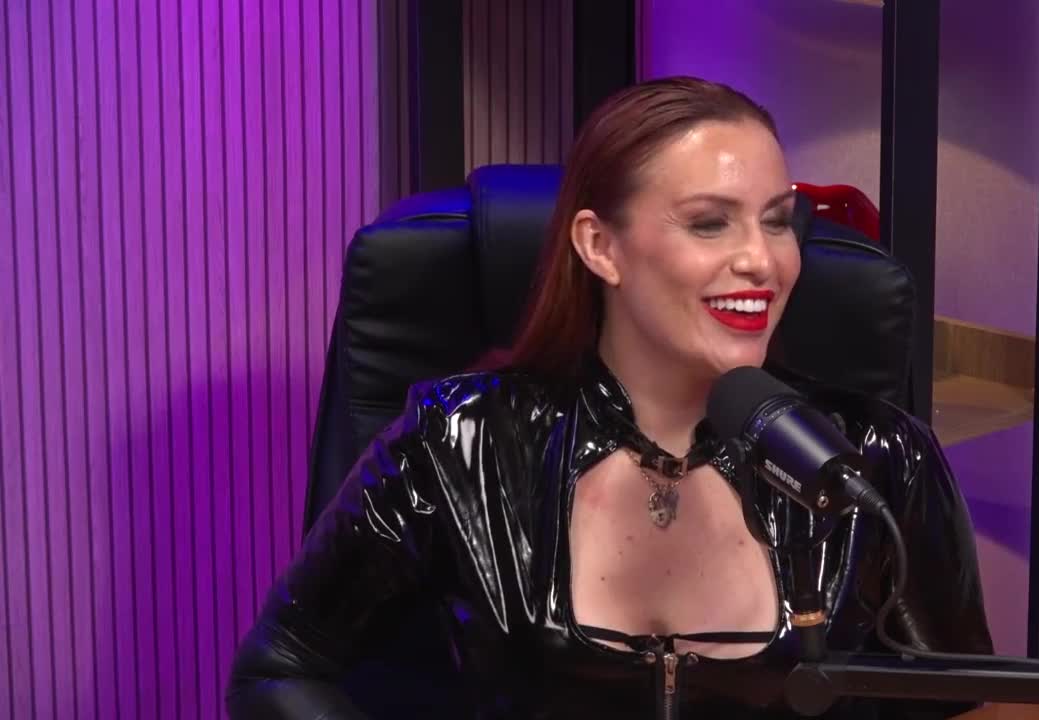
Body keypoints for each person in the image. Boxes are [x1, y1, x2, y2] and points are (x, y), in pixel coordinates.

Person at [226, 76, 992, 719]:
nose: (762, 261)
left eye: (777, 222)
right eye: (710, 224)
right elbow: (277, 670)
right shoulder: (460, 440)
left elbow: (960, 708)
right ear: (600, 246)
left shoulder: (877, 459)